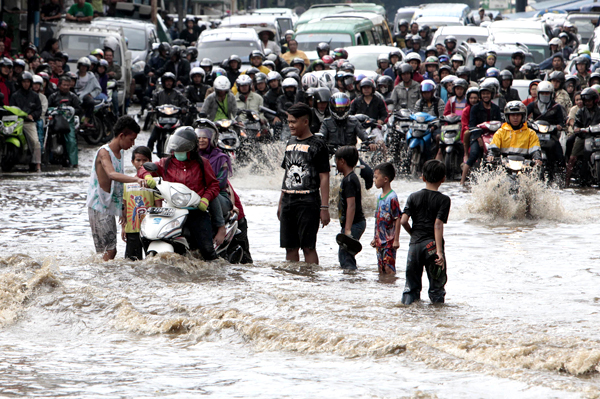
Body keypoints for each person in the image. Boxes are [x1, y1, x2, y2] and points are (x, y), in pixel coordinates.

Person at [139, 127, 219, 261]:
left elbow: (214, 185)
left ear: (191, 149)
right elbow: (143, 168)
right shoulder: (166, 163)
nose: (178, 153)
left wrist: (205, 199)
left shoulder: (202, 163)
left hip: (196, 210)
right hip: (171, 210)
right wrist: (147, 177)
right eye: (176, 150)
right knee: (148, 235)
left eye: (181, 151)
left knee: (207, 250)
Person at [87, 116, 145, 261]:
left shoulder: (121, 153)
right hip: (99, 206)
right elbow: (112, 174)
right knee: (110, 251)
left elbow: (119, 185)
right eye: (131, 139)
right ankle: (102, 280)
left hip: (109, 207)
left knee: (106, 251)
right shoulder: (104, 152)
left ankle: (100, 276)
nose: (133, 144)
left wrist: (122, 211)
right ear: (121, 136)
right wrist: (137, 179)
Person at [278, 103, 330, 265]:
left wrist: (324, 207)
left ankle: (312, 281)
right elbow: (286, 173)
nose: (290, 125)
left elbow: (324, 177)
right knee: (290, 247)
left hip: (308, 201)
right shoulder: (290, 142)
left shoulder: (318, 144)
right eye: (289, 122)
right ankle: (294, 282)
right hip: (288, 200)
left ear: (305, 122)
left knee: (308, 247)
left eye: (294, 122)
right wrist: (280, 202)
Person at [400, 159, 450, 305]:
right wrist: (439, 252)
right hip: (432, 246)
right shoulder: (444, 200)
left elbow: (403, 221)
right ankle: (436, 319)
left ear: (423, 177)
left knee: (411, 287)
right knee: (436, 288)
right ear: (443, 179)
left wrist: (413, 234)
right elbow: (438, 224)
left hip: (415, 245)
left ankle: (409, 315)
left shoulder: (413, 197)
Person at [319, 92, 376, 188]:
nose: (340, 110)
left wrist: (370, 142)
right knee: (316, 172)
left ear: (347, 107)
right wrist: (319, 143)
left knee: (369, 173)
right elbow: (321, 136)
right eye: (337, 108)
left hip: (351, 156)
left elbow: (363, 134)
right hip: (332, 155)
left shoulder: (354, 121)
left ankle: (364, 196)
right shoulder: (326, 122)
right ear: (332, 108)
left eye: (342, 107)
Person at [460, 82, 502, 185]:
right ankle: (462, 181)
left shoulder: (496, 108)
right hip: (477, 136)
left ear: (491, 95)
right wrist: (478, 138)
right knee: (474, 154)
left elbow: (501, 125)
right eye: (483, 94)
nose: (485, 96)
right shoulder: (475, 108)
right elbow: (472, 125)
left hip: (494, 137)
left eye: (487, 93)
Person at [333, 146, 366, 271]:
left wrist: (347, 230)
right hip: (353, 223)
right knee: (346, 253)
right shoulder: (349, 178)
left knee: (345, 254)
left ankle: (350, 278)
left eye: (336, 161)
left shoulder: (350, 180)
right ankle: (350, 279)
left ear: (342, 161)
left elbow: (351, 205)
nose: (335, 164)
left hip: (354, 224)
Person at [121, 146, 154, 261]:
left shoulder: (154, 183)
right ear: (132, 162)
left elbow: (159, 205)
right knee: (132, 263)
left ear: (150, 161)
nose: (141, 164)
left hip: (150, 229)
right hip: (132, 229)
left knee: (153, 261)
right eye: (138, 160)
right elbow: (124, 207)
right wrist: (123, 227)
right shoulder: (127, 183)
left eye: (145, 160)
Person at [369, 162, 401, 275]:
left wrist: (396, 239)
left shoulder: (392, 197)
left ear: (385, 179)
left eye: (376, 177)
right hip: (379, 241)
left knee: (389, 268)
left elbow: (397, 218)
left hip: (389, 241)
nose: (374, 180)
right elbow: (377, 219)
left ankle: (391, 287)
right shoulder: (379, 197)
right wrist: (375, 237)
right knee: (381, 268)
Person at [566, 87, 600, 187]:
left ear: (595, 100)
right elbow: (576, 125)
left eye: (589, 100)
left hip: (597, 136)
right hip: (584, 136)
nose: (588, 103)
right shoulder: (580, 112)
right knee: (572, 157)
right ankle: (567, 180)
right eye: (586, 101)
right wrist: (579, 129)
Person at [147, 72, 189, 152]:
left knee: (184, 136)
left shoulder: (178, 94)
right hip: (161, 119)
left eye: (170, 81)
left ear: (173, 82)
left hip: (175, 120)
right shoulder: (158, 94)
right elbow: (152, 103)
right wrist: (151, 107)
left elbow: (184, 103)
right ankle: (147, 154)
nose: (168, 83)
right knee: (152, 138)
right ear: (163, 82)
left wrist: (184, 109)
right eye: (167, 81)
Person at [10, 72, 42, 172]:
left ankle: (37, 164)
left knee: (35, 142)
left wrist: (33, 115)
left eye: (28, 82)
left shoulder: (35, 96)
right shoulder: (15, 96)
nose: (26, 84)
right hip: (16, 122)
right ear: (20, 82)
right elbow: (11, 108)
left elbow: (39, 110)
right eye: (24, 82)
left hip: (29, 123)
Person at [48, 76, 82, 168]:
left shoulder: (73, 97)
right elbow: (47, 108)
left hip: (68, 122)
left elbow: (79, 109)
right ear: (59, 85)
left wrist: (71, 110)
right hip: (55, 122)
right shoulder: (53, 96)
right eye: (64, 85)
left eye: (68, 85)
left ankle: (74, 162)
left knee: (71, 140)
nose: (66, 87)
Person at [73, 57, 101, 128]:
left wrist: (91, 94)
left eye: (85, 66)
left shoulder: (91, 77)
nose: (83, 68)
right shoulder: (75, 76)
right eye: (82, 66)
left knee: (91, 102)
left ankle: (86, 121)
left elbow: (98, 88)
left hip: (85, 96)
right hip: (76, 96)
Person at [32, 75, 47, 150]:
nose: (36, 86)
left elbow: (43, 110)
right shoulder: (28, 95)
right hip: (28, 118)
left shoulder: (43, 97)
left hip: (39, 118)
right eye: (34, 84)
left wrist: (34, 115)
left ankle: (40, 150)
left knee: (40, 130)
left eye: (38, 84)